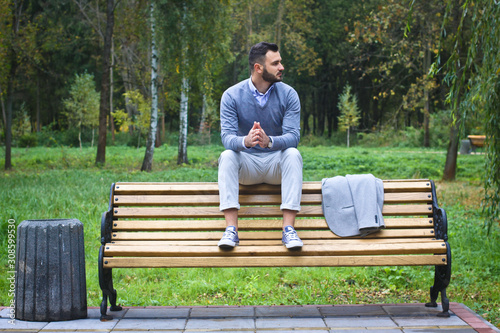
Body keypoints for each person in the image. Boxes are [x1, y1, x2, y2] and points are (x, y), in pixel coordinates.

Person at [217, 41, 303, 250]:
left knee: (292, 153)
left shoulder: (289, 94)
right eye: (276, 63)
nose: (281, 67)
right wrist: (245, 141)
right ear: (258, 68)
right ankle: (231, 231)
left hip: (276, 165)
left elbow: (293, 136)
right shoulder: (231, 95)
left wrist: (270, 141)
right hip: (247, 166)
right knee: (227, 155)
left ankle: (289, 231)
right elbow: (227, 138)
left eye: (280, 62)